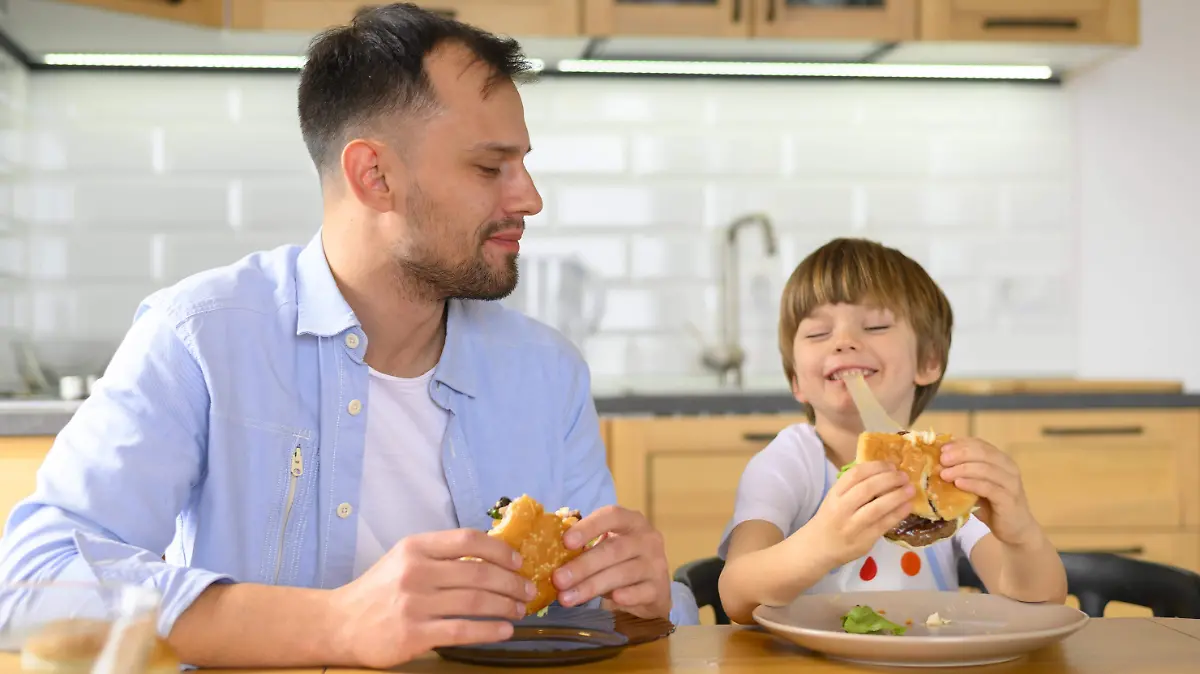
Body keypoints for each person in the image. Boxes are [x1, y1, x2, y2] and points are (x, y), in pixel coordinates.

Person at [0, 3, 698, 668]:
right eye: (490, 168)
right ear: (375, 176)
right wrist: (338, 622)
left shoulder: (548, 372)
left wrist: (635, 600)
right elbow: (31, 582)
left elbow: (604, 624)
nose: (529, 197)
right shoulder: (201, 340)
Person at [716, 238, 1067, 625]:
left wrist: (1020, 535)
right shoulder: (787, 463)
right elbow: (736, 595)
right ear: (796, 380)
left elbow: (1041, 604)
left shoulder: (946, 474)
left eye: (876, 325)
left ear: (928, 360)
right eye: (818, 333)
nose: (844, 341)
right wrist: (821, 545)